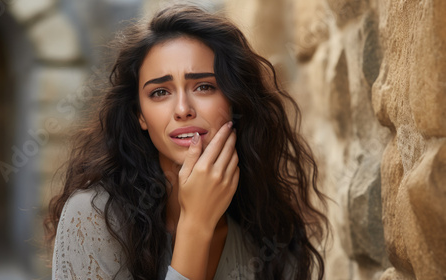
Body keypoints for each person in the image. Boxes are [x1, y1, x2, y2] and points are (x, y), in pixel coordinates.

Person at [45, 4, 328, 280]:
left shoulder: (272, 234)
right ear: (140, 115)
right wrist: (196, 226)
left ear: (234, 100)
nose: (183, 109)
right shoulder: (93, 217)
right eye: (159, 92)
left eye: (204, 86)